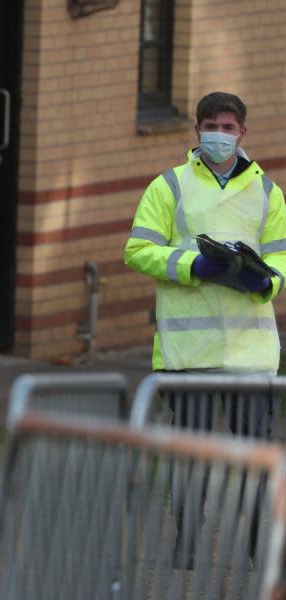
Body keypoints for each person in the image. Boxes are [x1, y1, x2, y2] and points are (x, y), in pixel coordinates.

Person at [124, 91, 286, 566]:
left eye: (229, 127)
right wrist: (195, 264)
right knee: (189, 457)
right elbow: (138, 250)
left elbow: (281, 255)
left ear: (243, 133)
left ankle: (261, 548)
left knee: (254, 458)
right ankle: (188, 545)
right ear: (197, 131)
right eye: (211, 125)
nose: (220, 135)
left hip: (248, 354)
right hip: (187, 352)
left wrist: (267, 278)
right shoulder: (168, 187)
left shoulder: (268, 193)